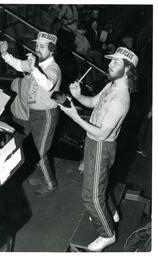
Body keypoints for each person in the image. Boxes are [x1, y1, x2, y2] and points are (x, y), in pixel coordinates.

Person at [59, 47, 138, 251]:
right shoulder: (111, 85)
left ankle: (107, 234)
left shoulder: (121, 99)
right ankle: (111, 212)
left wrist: (74, 116)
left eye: (116, 62)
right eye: (111, 61)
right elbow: (93, 102)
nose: (109, 64)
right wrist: (78, 96)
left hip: (101, 146)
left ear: (128, 69)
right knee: (98, 186)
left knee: (90, 197)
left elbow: (102, 134)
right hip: (94, 142)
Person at [0, 31, 62, 197]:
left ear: (52, 49)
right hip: (33, 113)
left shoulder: (53, 68)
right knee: (33, 148)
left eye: (41, 46)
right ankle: (41, 175)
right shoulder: (38, 64)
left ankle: (50, 184)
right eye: (37, 45)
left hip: (47, 114)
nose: (37, 49)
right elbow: (19, 65)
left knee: (40, 151)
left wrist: (33, 68)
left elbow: (48, 85)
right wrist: (5, 55)